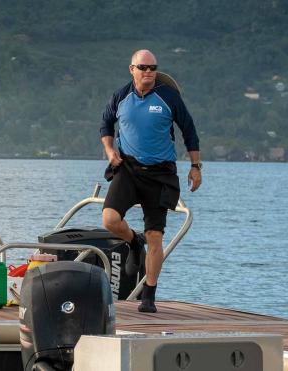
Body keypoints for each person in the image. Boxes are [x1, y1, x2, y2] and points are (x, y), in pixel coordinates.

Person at [99, 50, 202, 313]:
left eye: (153, 67)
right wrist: (110, 151)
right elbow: (105, 126)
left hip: (160, 174)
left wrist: (195, 166)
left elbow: (188, 130)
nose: (148, 72)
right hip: (128, 169)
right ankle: (134, 240)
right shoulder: (121, 96)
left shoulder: (168, 97)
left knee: (155, 236)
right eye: (143, 67)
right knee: (110, 219)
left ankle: (149, 296)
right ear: (131, 68)